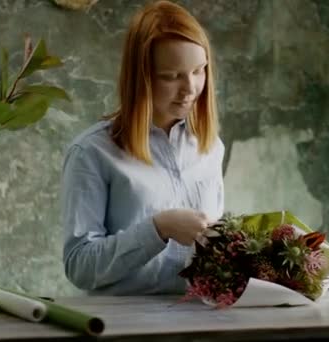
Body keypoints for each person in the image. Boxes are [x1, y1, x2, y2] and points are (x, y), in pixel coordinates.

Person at [60, 0, 224, 295]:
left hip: (202, 320)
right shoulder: (91, 153)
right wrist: (158, 228)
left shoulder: (210, 147)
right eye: (171, 76)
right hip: (122, 327)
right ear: (141, 77)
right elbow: (79, 267)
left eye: (199, 71)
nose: (190, 89)